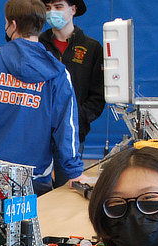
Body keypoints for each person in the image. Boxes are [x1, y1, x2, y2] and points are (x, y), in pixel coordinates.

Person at [0, 0, 88, 196]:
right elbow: (66, 127)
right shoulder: (58, 73)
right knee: (36, 226)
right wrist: (74, 171)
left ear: (13, 24)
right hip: (34, 175)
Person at [39, 0, 105, 188]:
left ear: (73, 9)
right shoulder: (38, 45)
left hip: (72, 135)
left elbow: (98, 96)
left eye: (58, 7)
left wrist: (77, 119)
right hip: (38, 134)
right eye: (48, 8)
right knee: (35, 189)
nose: (53, 13)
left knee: (67, 188)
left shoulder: (92, 48)